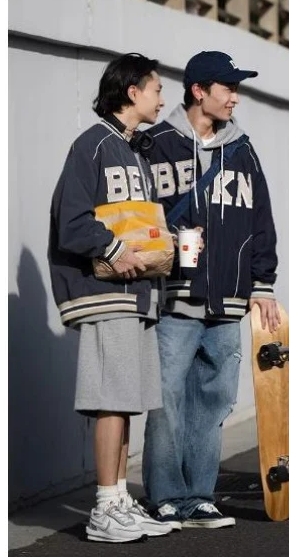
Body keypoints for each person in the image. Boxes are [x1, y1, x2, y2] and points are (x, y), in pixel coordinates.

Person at [139, 50, 281, 531]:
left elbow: (261, 220)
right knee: (166, 401)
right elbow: (138, 214)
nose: (235, 97)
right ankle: (165, 497)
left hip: (230, 301)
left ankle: (199, 495)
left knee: (214, 402)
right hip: (175, 297)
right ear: (200, 91)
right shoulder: (155, 144)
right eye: (228, 88)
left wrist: (263, 284)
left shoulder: (243, 149)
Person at [47, 53, 173, 543]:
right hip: (104, 292)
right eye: (157, 88)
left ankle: (119, 499)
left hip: (138, 294)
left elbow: (137, 223)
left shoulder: (137, 152)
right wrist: (114, 248)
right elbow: (71, 221)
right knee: (109, 401)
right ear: (131, 91)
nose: (163, 98)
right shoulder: (92, 145)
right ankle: (103, 509)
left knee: (127, 400)